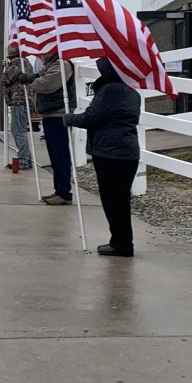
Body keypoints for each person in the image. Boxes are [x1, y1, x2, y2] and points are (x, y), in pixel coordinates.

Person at [64, 58, 141, 256]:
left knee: (113, 200)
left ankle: (122, 244)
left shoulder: (110, 90)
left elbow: (91, 117)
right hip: (128, 152)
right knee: (121, 200)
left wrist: (69, 119)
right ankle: (122, 241)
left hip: (110, 152)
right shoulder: (132, 91)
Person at [20, 47, 76, 204]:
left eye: (44, 51)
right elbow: (41, 77)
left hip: (59, 115)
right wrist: (33, 77)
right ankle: (59, 190)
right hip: (50, 114)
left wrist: (30, 80)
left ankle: (64, 193)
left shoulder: (62, 65)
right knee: (55, 156)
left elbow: (45, 84)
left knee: (61, 155)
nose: (41, 55)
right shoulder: (51, 65)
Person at [2, 43, 34, 170]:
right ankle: (27, 158)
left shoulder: (17, 63)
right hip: (21, 100)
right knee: (18, 130)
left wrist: (5, 69)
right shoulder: (23, 62)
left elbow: (5, 80)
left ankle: (24, 160)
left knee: (18, 131)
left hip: (19, 100)